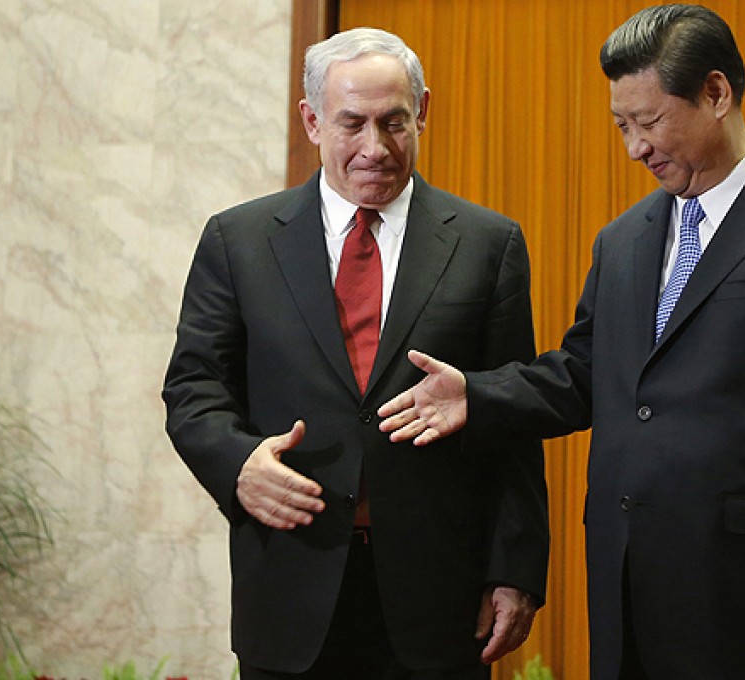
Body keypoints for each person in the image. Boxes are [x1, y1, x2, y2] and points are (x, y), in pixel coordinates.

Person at [378, 5, 745, 680]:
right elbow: (585, 372)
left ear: (716, 94)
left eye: (650, 121)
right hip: (630, 588)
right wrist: (477, 394)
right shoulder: (624, 240)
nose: (636, 146)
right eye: (621, 125)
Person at [162, 28, 549, 680]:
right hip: (290, 582)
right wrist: (238, 465)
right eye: (353, 125)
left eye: (395, 123)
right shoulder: (239, 241)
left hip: (439, 599)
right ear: (312, 121)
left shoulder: (489, 244)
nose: (376, 148)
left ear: (422, 110)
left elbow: (511, 418)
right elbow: (194, 388)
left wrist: (516, 568)